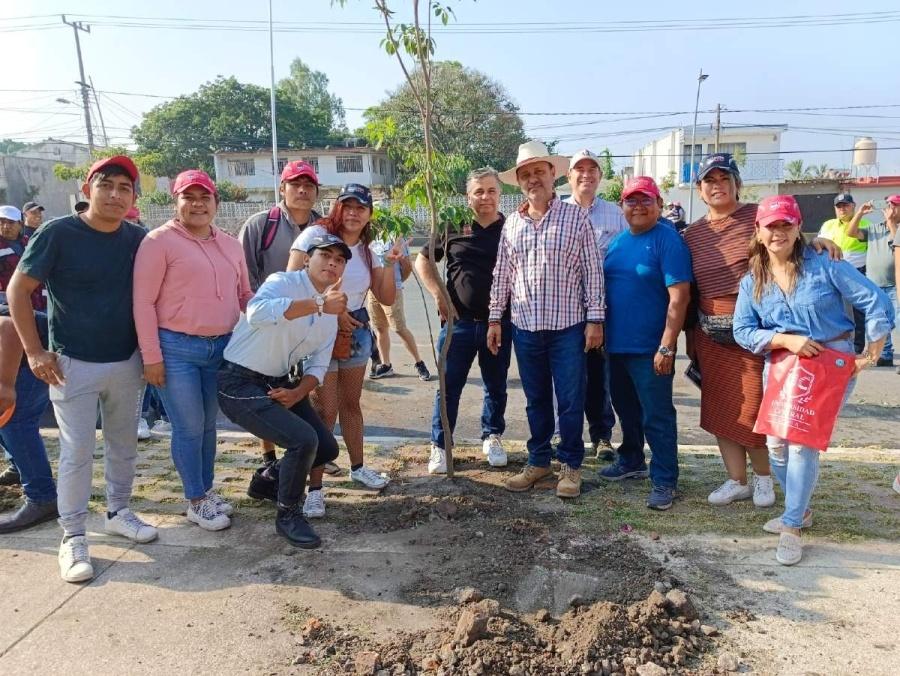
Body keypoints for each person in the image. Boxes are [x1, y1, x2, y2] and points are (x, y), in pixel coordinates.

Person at [7, 155, 157, 583]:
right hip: (70, 362)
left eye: (124, 188)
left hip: (126, 360)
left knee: (124, 442)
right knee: (76, 452)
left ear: (133, 197)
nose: (114, 194)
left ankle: (119, 510)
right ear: (88, 188)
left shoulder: (137, 238)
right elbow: (20, 290)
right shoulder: (57, 233)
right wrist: (35, 352)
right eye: (105, 185)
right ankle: (72, 535)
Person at [733, 194, 894, 565]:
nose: (778, 232)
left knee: (802, 442)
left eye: (785, 224)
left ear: (797, 227)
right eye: (770, 225)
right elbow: (743, 329)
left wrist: (869, 354)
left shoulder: (826, 263)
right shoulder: (751, 281)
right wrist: (784, 339)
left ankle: (792, 526)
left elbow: (876, 302)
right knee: (775, 445)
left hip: (827, 365)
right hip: (782, 366)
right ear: (758, 231)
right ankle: (800, 508)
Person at [683, 154, 836, 509]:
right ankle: (737, 480)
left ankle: (764, 478)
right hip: (710, 330)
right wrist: (690, 338)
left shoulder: (757, 216)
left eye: (725, 178)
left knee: (756, 408)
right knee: (721, 408)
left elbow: (789, 236)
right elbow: (688, 286)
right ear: (700, 190)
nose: (717, 185)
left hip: (754, 328)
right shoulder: (692, 233)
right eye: (710, 180)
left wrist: (819, 243)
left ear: (737, 183)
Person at [133, 169, 253, 531]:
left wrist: (278, 311)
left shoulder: (231, 245)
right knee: (188, 426)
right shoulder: (159, 242)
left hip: (222, 348)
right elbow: (143, 303)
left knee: (208, 427)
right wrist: (151, 356)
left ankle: (206, 489)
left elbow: (244, 295)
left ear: (216, 202)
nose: (198, 204)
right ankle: (195, 499)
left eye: (205, 197)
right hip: (176, 348)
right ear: (177, 201)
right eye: (190, 197)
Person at [488, 141, 605, 499]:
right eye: (526, 174)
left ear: (554, 174)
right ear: (519, 182)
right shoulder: (512, 225)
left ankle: (570, 466)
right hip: (525, 327)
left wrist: (595, 319)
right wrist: (495, 317)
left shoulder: (575, 218)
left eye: (539, 171)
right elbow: (502, 274)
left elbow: (592, 271)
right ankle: (539, 461)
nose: (533, 179)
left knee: (570, 399)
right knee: (536, 398)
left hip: (568, 327)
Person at [217, 234, 349, 548]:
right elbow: (256, 312)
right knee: (303, 441)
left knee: (327, 449)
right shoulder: (283, 281)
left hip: (279, 382)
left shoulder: (331, 313)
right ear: (307, 259)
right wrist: (317, 304)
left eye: (339, 259)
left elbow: (318, 365)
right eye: (325, 255)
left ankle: (267, 482)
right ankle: (288, 514)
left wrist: (296, 393)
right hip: (238, 381)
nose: (332, 262)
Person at [288, 183, 400, 515]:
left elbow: (387, 297)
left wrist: (391, 264)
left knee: (351, 404)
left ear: (369, 213)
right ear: (337, 207)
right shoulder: (315, 236)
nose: (353, 213)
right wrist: (328, 311)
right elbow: (291, 282)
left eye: (360, 207)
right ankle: (314, 488)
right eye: (347, 205)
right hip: (317, 326)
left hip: (356, 330)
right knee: (325, 411)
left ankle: (358, 466)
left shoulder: (369, 248)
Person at [598, 177, 692, 510]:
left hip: (651, 349)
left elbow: (679, 297)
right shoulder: (620, 241)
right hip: (617, 346)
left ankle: (665, 479)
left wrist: (667, 345)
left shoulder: (667, 240)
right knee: (626, 410)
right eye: (631, 201)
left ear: (659, 203)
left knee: (657, 416)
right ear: (622, 206)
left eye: (645, 200)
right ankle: (632, 459)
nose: (638, 207)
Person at [416, 167, 512, 474]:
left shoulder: (512, 229)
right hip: (459, 325)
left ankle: (492, 436)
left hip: (498, 323)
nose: (485, 197)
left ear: (500, 194)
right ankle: (441, 446)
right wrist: (438, 295)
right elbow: (423, 260)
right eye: (478, 191)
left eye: (491, 190)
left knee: (495, 385)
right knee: (448, 386)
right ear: (467, 196)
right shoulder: (453, 225)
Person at [239, 160, 322, 469]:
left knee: (307, 387)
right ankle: (270, 458)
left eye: (309, 186)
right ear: (282, 189)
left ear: (316, 192)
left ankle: (313, 454)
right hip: (270, 322)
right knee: (269, 390)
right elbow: (244, 276)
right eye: (295, 184)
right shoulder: (262, 224)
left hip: (311, 321)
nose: (302, 190)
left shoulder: (324, 228)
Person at [564, 149, 628, 462]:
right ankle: (566, 438)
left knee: (599, 376)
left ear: (600, 177)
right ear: (569, 176)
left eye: (593, 170)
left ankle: (602, 436)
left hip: (602, 311)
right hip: (563, 310)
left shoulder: (616, 215)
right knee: (565, 376)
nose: (586, 174)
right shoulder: (556, 212)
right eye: (580, 169)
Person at [0, 310, 57, 532]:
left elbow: (9, 328)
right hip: (20, 352)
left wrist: (5, 385)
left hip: (32, 354)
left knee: (16, 422)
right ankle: (18, 467)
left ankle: (43, 498)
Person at [367, 236, 431, 381]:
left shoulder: (394, 237)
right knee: (380, 328)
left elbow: (407, 266)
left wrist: (396, 283)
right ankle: (386, 365)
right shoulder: (369, 237)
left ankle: (419, 363)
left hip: (392, 289)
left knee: (399, 328)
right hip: (373, 290)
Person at [846, 197, 898, 366]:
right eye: (890, 205)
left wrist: (891, 223)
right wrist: (860, 213)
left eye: (896, 206)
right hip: (874, 283)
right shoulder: (874, 229)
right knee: (879, 321)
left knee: (897, 320)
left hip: (894, 284)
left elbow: (896, 241)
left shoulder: (896, 229)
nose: (891, 209)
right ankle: (885, 355)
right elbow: (851, 232)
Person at [818, 193, 870, 354]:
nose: (842, 209)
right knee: (833, 309)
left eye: (846, 205)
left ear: (853, 206)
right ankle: (835, 342)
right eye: (839, 206)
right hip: (830, 274)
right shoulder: (828, 225)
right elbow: (819, 245)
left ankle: (857, 346)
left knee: (857, 312)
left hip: (856, 273)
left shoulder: (865, 223)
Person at [0, 205, 45, 312]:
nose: (5, 226)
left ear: (20, 224)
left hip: (38, 303)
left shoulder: (30, 242)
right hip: (10, 307)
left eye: (11, 222)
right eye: (1, 222)